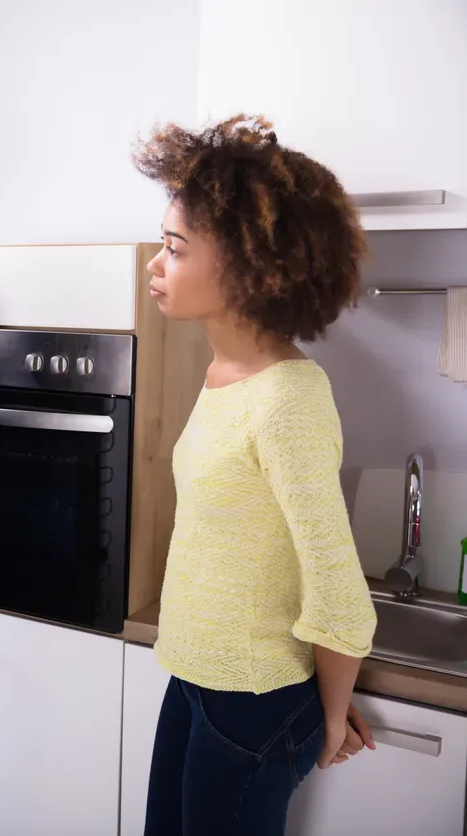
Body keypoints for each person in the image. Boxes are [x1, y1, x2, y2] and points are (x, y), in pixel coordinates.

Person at [132, 114, 380, 836]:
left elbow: (338, 591)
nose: (155, 262)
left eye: (174, 248)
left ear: (244, 266)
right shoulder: (224, 375)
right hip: (196, 676)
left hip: (253, 699)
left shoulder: (288, 399)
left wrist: (325, 718)